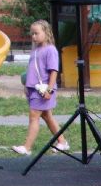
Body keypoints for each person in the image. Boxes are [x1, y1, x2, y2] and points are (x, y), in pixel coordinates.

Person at [15, 19, 65, 157]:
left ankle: (27, 147)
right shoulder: (36, 50)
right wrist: (27, 85)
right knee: (47, 116)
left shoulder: (50, 50)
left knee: (34, 116)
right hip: (33, 88)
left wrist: (49, 89)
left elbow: (54, 71)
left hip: (43, 90)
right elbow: (32, 69)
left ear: (46, 32)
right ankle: (62, 141)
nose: (33, 36)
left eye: (36, 33)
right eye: (32, 34)